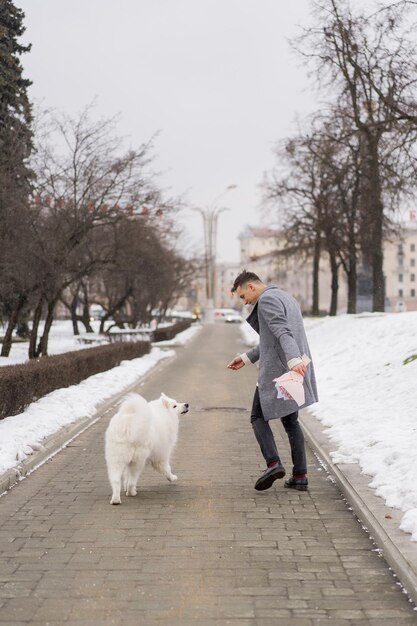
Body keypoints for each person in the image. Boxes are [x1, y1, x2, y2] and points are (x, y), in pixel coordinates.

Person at [227, 270, 318, 492]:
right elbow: (271, 339)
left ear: (251, 287)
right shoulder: (286, 296)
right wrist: (246, 358)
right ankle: (300, 475)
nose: (245, 302)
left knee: (257, 417)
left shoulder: (266, 300)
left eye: (242, 296)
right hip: (291, 368)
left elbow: (283, 332)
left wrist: (293, 359)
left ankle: (273, 463)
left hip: (280, 371)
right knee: (291, 422)